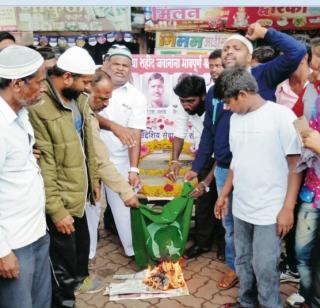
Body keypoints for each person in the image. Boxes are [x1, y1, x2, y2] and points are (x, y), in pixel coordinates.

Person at [184, 22, 306, 292]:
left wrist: (265, 34)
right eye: (225, 47)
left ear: (250, 57)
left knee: (263, 231)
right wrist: (198, 167)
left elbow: (297, 52)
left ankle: (263, 279)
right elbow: (209, 132)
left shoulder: (261, 75)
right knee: (231, 228)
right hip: (227, 168)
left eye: (236, 47)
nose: (228, 51)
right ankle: (236, 270)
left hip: (262, 171)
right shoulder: (215, 91)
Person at [214, 67, 302, 308]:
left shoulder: (282, 116)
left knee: (265, 266)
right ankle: (246, 302)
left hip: (270, 210)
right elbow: (236, 161)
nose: (227, 107)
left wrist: (287, 208)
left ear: (242, 94)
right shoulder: (234, 119)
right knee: (243, 260)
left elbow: (296, 166)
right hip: (242, 205)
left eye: (228, 101)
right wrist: (224, 194)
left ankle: (270, 304)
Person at [28, 46, 102, 307]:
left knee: (77, 265)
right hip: (60, 204)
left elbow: (86, 148)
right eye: (85, 81)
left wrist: (93, 183)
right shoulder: (40, 107)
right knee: (61, 275)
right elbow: (46, 166)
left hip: (79, 200)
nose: (88, 88)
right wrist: (57, 211)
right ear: (67, 77)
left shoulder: (78, 101)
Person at [0, 45, 51, 308]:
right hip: (13, 243)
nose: (43, 88)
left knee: (41, 303)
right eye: (39, 82)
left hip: (36, 232)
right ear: (17, 84)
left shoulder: (20, 114)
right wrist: (2, 251)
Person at [85, 69, 139, 265]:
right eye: (102, 98)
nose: (106, 104)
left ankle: (132, 250)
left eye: (109, 98)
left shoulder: (88, 112)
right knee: (89, 211)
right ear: (86, 89)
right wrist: (127, 193)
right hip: (81, 175)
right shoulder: (78, 109)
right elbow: (100, 159)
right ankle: (86, 259)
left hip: (107, 165)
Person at [99, 44, 147, 257]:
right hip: (87, 158)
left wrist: (134, 168)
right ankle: (88, 255)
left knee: (125, 205)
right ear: (106, 64)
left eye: (125, 65)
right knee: (89, 210)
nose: (120, 68)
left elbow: (135, 135)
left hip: (118, 160)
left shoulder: (136, 97)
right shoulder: (90, 86)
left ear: (130, 69)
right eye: (116, 63)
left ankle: (132, 251)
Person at [287, 37, 320, 308]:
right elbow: (299, 123)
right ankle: (307, 294)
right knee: (302, 252)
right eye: (312, 59)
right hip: (312, 188)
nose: (314, 66)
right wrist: (305, 136)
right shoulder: (312, 93)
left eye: (319, 58)